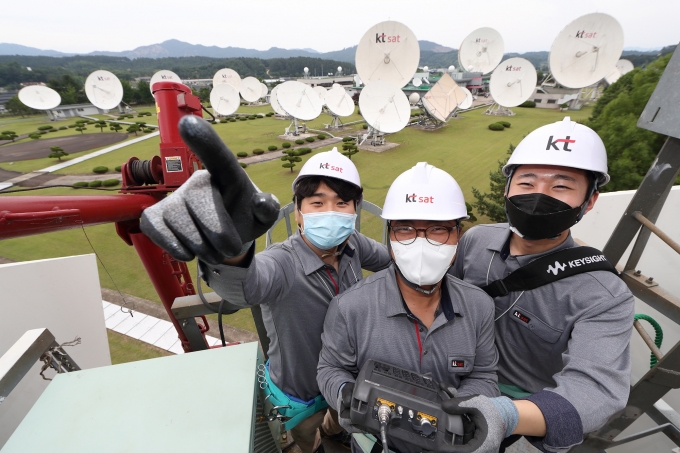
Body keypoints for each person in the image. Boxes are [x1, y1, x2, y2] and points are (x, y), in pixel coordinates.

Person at [141, 116, 391, 453]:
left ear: (354, 210)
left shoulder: (354, 246)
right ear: (299, 213)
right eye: (317, 203)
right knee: (310, 443)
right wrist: (232, 253)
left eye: (342, 203)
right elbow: (247, 287)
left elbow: (392, 262)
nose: (331, 211)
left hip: (344, 383)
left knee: (338, 426)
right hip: (302, 397)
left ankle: (334, 434)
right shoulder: (283, 262)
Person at [443, 117, 635, 452]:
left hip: (524, 415)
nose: (539, 196)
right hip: (453, 376)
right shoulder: (476, 240)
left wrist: (507, 415)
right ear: (507, 188)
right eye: (527, 183)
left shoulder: (603, 295)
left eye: (561, 187)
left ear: (589, 201)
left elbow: (596, 389)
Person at [317, 162, 500, 453]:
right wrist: (344, 394)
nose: (421, 243)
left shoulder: (479, 306)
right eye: (405, 229)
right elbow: (331, 367)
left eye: (438, 230)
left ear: (458, 235)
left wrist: (460, 416)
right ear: (389, 237)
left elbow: (483, 374)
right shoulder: (350, 307)